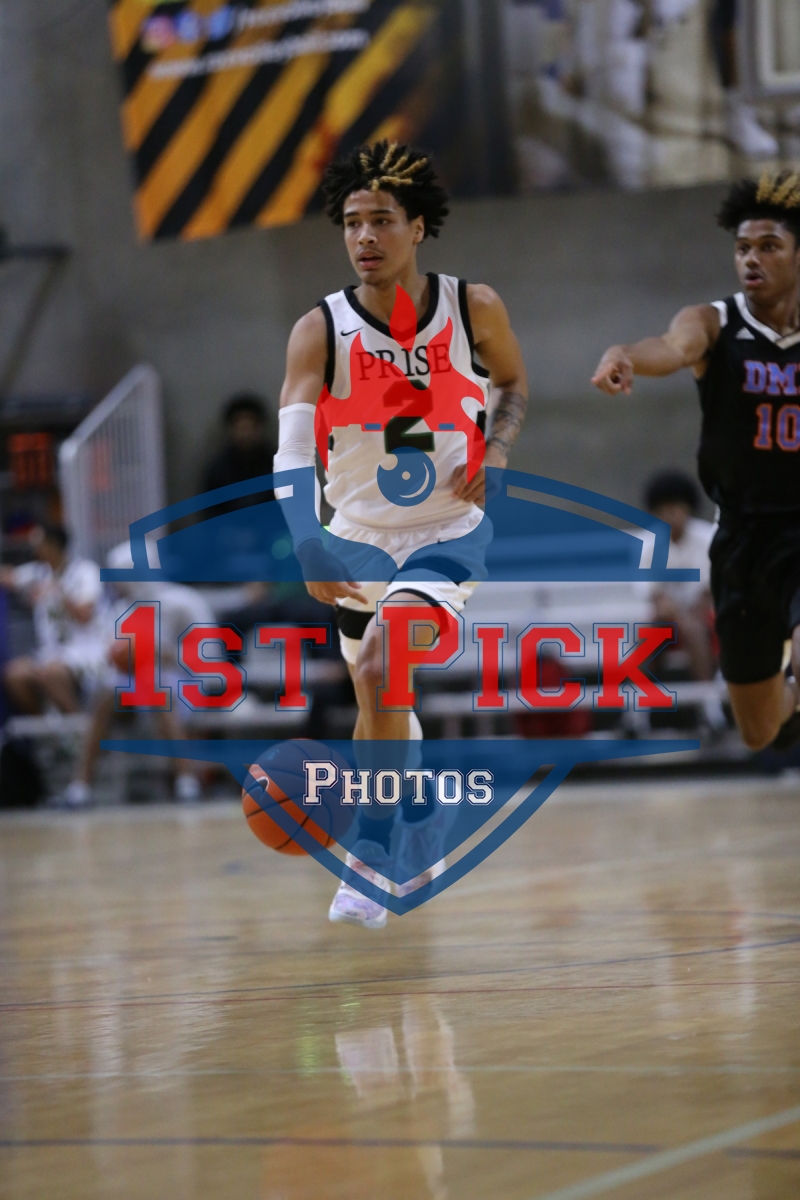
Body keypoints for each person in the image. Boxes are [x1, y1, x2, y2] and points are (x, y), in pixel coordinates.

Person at [274, 140, 528, 927]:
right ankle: (417, 805)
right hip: (355, 536)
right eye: (353, 221)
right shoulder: (319, 329)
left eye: (382, 219)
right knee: (377, 701)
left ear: (418, 228)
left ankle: (372, 850)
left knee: (387, 663)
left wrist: (496, 448)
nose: (365, 236)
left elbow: (512, 383)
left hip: (447, 530)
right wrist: (307, 539)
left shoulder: (473, 307)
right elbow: (290, 452)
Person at [592, 170, 800, 755]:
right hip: (742, 538)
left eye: (768, 246)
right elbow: (672, 347)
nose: (751, 259)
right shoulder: (714, 321)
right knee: (759, 729)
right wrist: (626, 355)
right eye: (743, 248)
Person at [62, 542, 215, 807]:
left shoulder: (184, 602)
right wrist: (121, 658)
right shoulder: (120, 611)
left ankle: (186, 782)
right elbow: (110, 658)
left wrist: (162, 654)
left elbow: (210, 655)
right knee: (106, 696)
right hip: (137, 685)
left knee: (159, 689)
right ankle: (80, 787)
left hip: (184, 683)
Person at [0, 524, 109, 718]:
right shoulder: (39, 573)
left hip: (87, 652)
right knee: (15, 675)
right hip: (50, 653)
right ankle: (46, 728)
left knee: (51, 673)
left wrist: (58, 593)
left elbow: (85, 616)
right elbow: (8, 577)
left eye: (38, 543)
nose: (34, 548)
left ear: (53, 545)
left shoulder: (86, 571)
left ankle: (78, 728)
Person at [643, 469, 716, 682]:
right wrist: (680, 617)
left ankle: (706, 693)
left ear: (688, 508)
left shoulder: (707, 538)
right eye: (663, 510)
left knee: (694, 628)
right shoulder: (648, 545)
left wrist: (688, 619)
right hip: (666, 619)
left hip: (704, 617)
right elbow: (655, 596)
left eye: (675, 508)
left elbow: (707, 594)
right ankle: (639, 697)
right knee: (648, 634)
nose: (670, 515)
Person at [201, 392, 276, 494]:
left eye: (250, 427)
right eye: (241, 428)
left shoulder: (276, 466)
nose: (246, 435)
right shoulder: (218, 471)